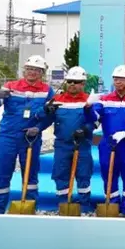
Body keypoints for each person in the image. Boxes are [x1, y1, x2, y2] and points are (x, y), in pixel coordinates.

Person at [0, 55, 54, 214]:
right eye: (30, 69)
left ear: (42, 73)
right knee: (2, 172)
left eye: (36, 70)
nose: (32, 72)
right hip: (7, 137)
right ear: (24, 70)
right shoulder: (11, 86)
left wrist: (38, 128)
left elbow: (51, 115)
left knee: (31, 175)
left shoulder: (47, 91)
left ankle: (30, 208)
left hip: (30, 138)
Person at [36, 66, 95, 212]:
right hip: (62, 145)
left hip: (82, 144)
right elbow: (44, 118)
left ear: (83, 84)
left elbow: (96, 120)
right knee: (61, 174)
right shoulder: (56, 100)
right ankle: (64, 204)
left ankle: (84, 207)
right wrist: (39, 124)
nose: (72, 84)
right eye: (70, 81)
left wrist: (86, 129)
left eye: (76, 82)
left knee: (83, 174)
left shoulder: (89, 100)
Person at [84, 65, 125, 216]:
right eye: (116, 79)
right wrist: (88, 107)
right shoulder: (104, 100)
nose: (118, 82)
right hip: (108, 144)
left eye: (121, 79)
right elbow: (94, 118)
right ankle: (112, 206)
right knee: (108, 174)